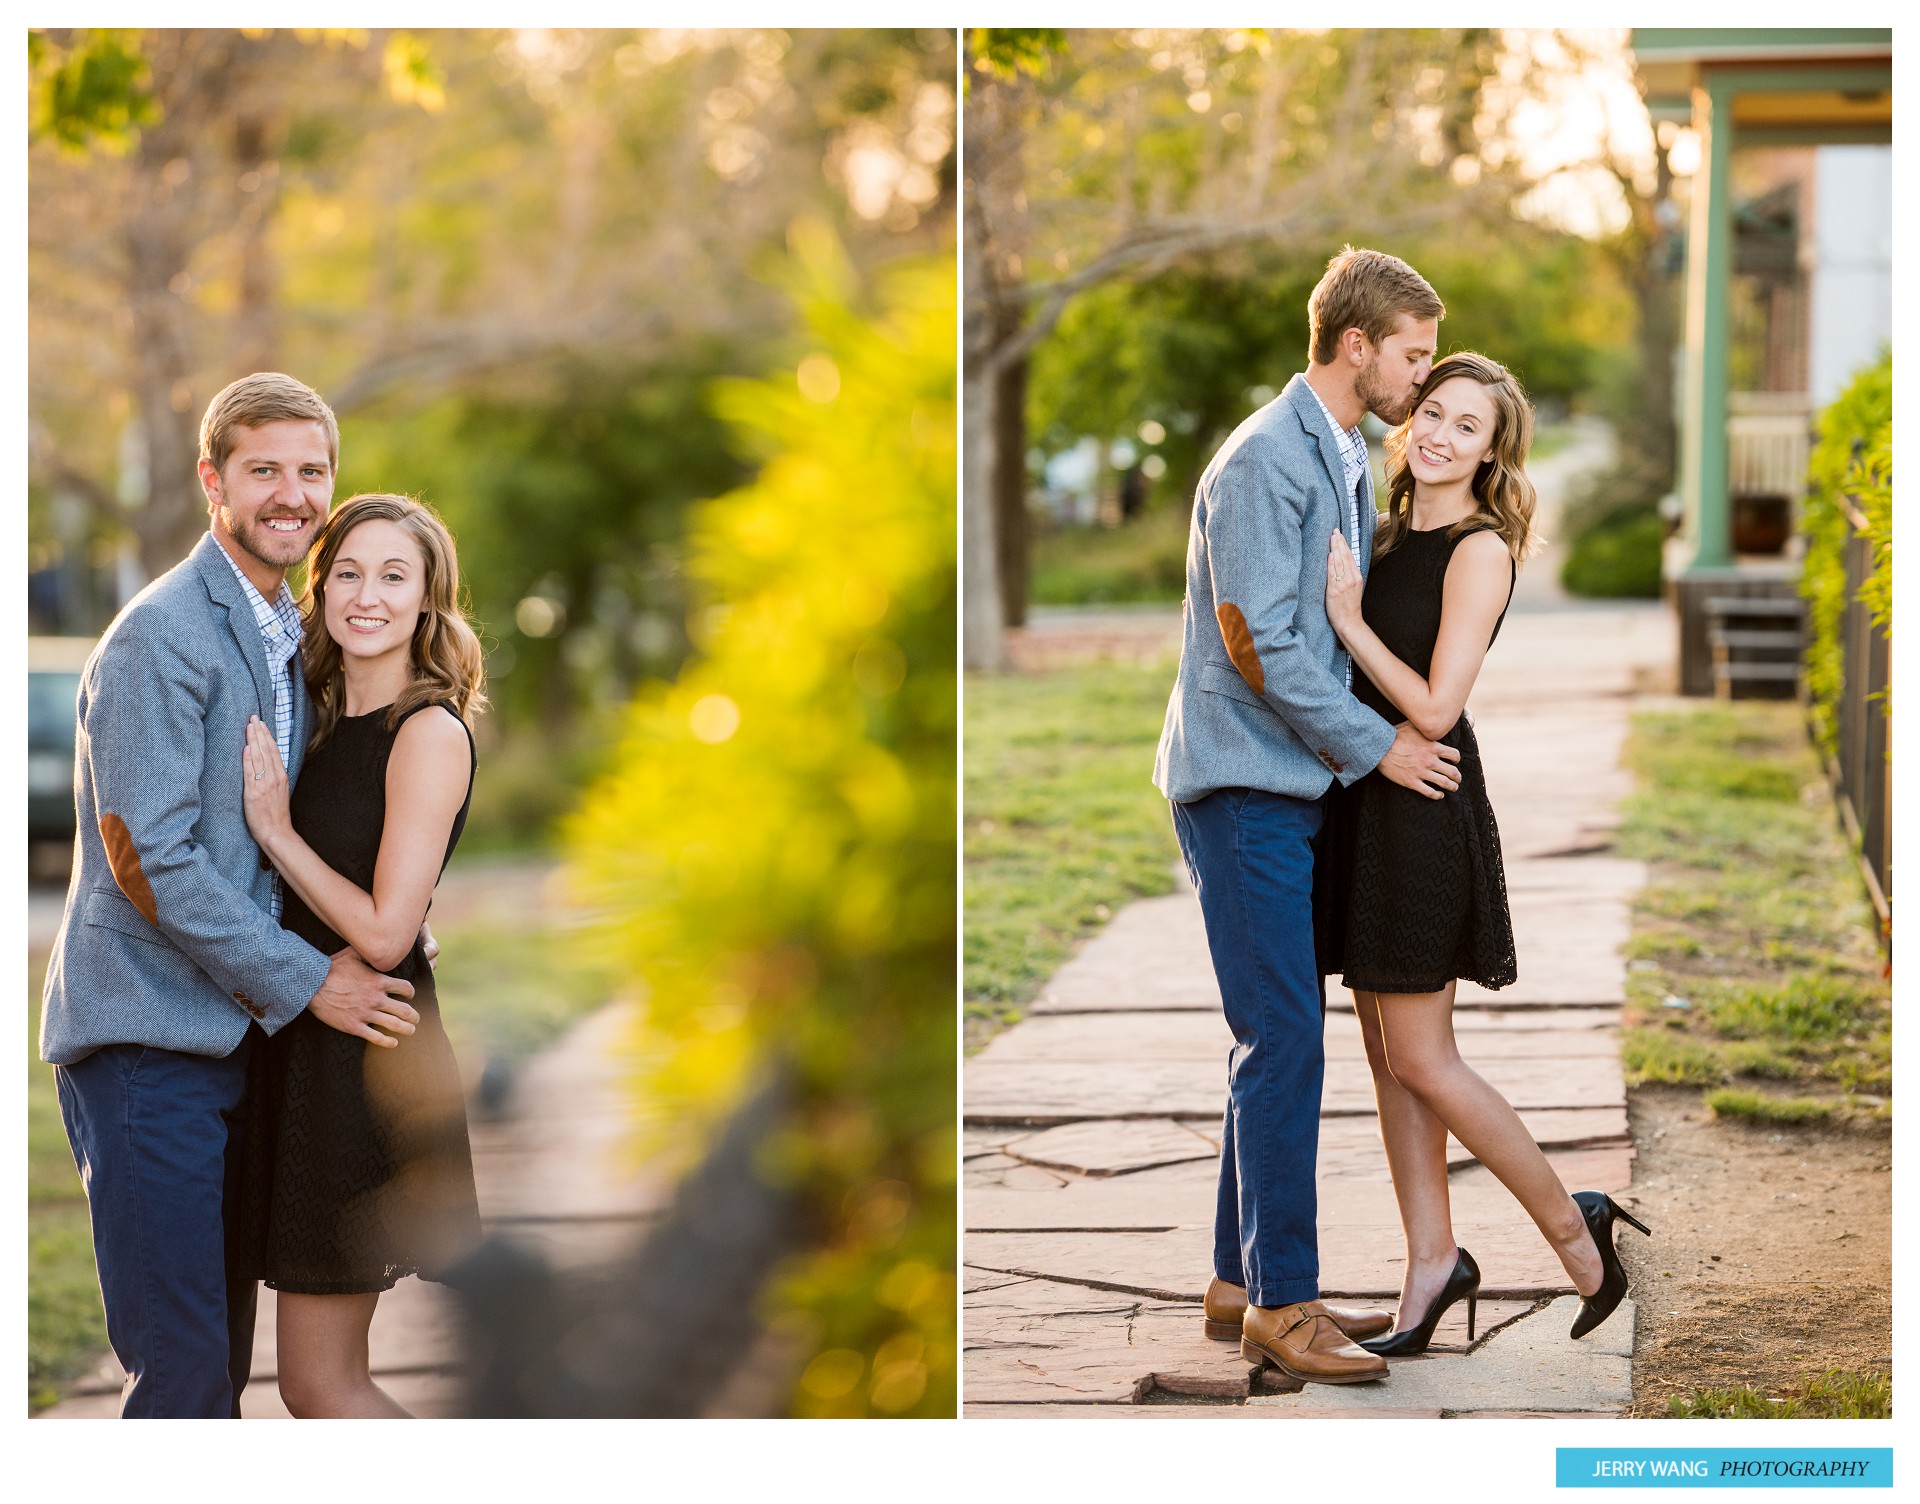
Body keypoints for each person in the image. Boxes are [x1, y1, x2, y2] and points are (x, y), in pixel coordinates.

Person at [41, 374, 421, 1418]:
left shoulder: (283, 631)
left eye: (312, 470)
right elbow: (146, 858)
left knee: (221, 1364)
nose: (292, 493)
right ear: (214, 481)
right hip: (148, 1045)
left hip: (238, 1047)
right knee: (185, 1376)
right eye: (264, 469)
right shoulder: (162, 634)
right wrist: (314, 982)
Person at [1152, 247, 1465, 1385]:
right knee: (1283, 1038)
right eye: (1413, 356)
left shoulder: (1338, 450)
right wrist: (1379, 745)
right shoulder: (1262, 460)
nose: (1421, 381)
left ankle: (1236, 1275)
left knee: (1276, 1033)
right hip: (1242, 788)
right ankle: (1283, 1303)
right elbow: (1257, 640)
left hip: (1294, 786)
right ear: (1355, 346)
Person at [1316, 351, 1650, 1356]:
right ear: (1407, 420)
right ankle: (1431, 1264)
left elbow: (1435, 704)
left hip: (1425, 806)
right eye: (1435, 413)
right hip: (1363, 808)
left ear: (1494, 453)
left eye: (1471, 427)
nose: (1444, 435)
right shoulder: (1375, 534)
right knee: (1386, 1058)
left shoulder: (1478, 550)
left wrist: (1343, 613)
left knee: (1425, 1053)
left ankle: (1574, 1228)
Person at [228, 492, 486, 1417]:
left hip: (363, 1064)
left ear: (428, 599)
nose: (365, 596)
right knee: (311, 1381)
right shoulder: (317, 719)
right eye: (346, 572)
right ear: (320, 584)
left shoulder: (429, 732)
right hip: (297, 1046)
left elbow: (382, 934)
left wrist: (275, 831)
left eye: (393, 575)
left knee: (320, 1385)